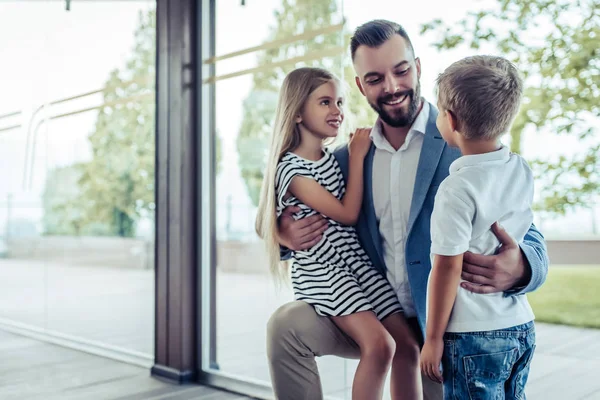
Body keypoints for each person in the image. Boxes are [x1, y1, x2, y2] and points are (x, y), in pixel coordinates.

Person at [267, 20, 549, 400]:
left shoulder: (465, 138)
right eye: (375, 78)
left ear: (418, 67)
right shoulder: (349, 157)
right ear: (360, 86)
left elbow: (528, 231)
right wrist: (283, 234)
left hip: (446, 322)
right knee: (285, 326)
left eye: (401, 71)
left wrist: (522, 266)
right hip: (371, 306)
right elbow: (303, 204)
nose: (392, 86)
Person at [256, 66, 422, 400]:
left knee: (408, 345)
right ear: (298, 112)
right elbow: (346, 214)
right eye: (325, 102)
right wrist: (359, 156)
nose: (337, 111)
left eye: (340, 102)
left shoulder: (332, 159)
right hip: (327, 272)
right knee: (379, 347)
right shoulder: (292, 167)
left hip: (359, 268)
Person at [420, 55, 537, 399]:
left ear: (451, 120)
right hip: (519, 326)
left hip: (472, 335)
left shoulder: (456, 188)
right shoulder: (520, 168)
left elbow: (446, 267)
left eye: (440, 111)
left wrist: (432, 339)